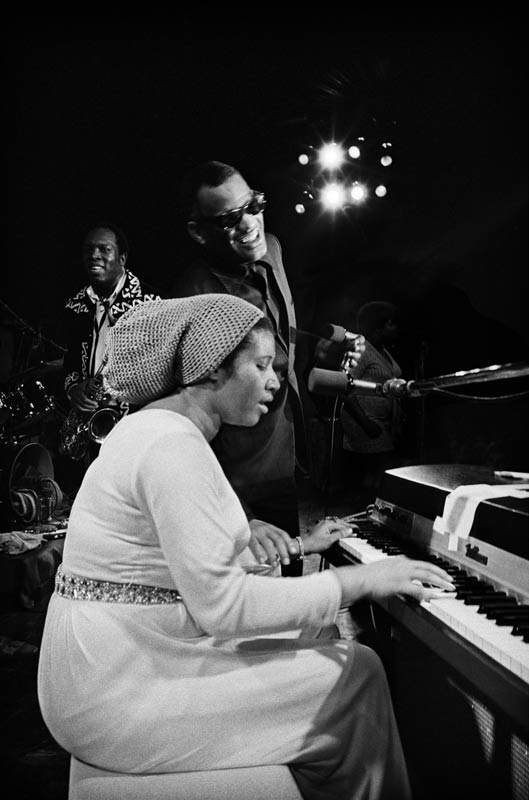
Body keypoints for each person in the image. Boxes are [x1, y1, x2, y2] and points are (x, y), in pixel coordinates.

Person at [37, 295, 454, 800]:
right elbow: (225, 606)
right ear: (212, 369)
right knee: (357, 674)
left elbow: (175, 568)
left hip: (116, 665)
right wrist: (362, 580)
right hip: (118, 689)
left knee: (316, 634)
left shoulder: (151, 430)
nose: (276, 383)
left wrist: (297, 546)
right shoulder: (171, 446)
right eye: (260, 366)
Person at [172, 161, 363, 575]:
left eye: (253, 205)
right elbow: (184, 424)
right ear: (198, 231)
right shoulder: (193, 298)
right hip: (233, 478)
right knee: (253, 608)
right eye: (228, 219)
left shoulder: (271, 247)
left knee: (291, 586)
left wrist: (332, 342)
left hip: (283, 455)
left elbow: (280, 332)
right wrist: (236, 513)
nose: (249, 224)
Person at [56, 223, 161, 477]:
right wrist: (74, 388)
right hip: (92, 418)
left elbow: (162, 367)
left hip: (133, 420)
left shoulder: (150, 303)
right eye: (89, 249)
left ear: (122, 258)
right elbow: (70, 358)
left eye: (104, 249)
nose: (94, 255)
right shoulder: (75, 305)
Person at [340, 301, 404, 501]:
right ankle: (365, 512)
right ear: (378, 327)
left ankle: (371, 510)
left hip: (381, 422)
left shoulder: (382, 350)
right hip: (364, 421)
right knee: (374, 476)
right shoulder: (361, 349)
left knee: (378, 474)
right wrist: (365, 423)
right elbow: (342, 386)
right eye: (391, 324)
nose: (396, 329)